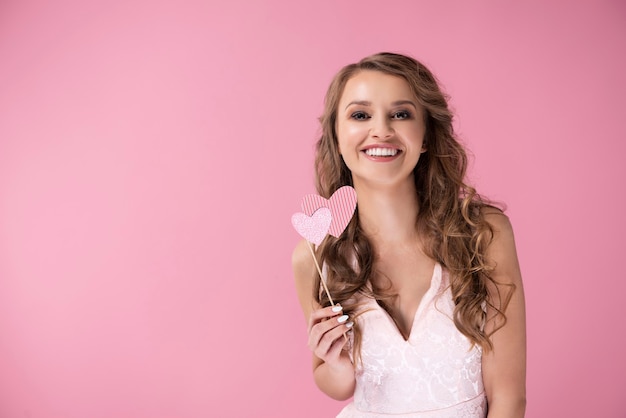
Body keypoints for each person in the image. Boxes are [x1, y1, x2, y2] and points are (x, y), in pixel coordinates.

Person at [292, 52, 526, 417]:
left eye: (400, 114)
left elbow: (509, 398)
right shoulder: (315, 255)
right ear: (337, 138)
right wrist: (334, 363)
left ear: (427, 135)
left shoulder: (483, 234)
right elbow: (335, 384)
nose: (381, 130)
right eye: (360, 115)